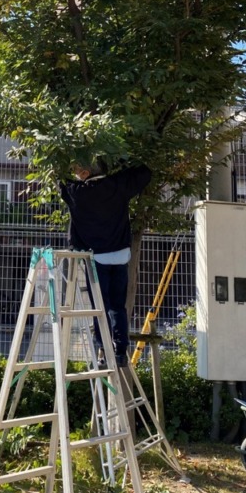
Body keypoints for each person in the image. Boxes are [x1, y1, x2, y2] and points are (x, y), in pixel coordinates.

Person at [59, 157, 152, 367]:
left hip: (96, 256)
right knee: (118, 306)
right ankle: (120, 351)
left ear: (85, 173)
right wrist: (122, 159)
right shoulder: (117, 185)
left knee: (100, 306)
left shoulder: (77, 192)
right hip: (120, 254)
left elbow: (60, 181)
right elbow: (144, 173)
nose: (75, 175)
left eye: (77, 171)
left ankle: (104, 350)